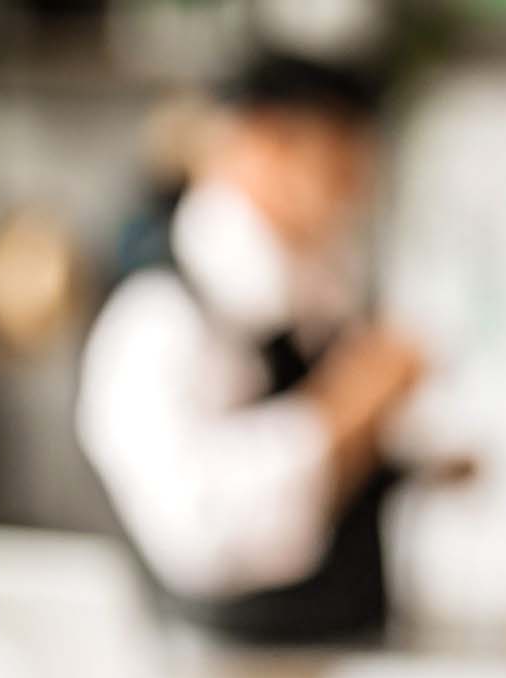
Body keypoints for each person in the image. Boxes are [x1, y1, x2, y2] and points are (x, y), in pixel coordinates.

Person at [78, 53, 422, 641]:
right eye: (338, 165)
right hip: (222, 669)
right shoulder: (158, 318)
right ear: (261, 143)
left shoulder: (321, 295)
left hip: (350, 647)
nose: (356, 194)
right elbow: (198, 534)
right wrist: (355, 405)